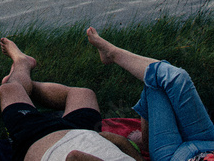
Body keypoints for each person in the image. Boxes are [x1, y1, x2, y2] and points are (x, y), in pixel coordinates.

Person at [0, 37, 144, 161]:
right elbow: (117, 140)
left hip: (37, 140)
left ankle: (22, 64)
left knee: (9, 89)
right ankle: (24, 83)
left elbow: (74, 157)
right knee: (83, 93)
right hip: (84, 132)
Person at [86, 26, 214, 161]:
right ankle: (113, 54)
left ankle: (147, 139)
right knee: (177, 77)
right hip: (208, 142)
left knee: (154, 85)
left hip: (175, 156)